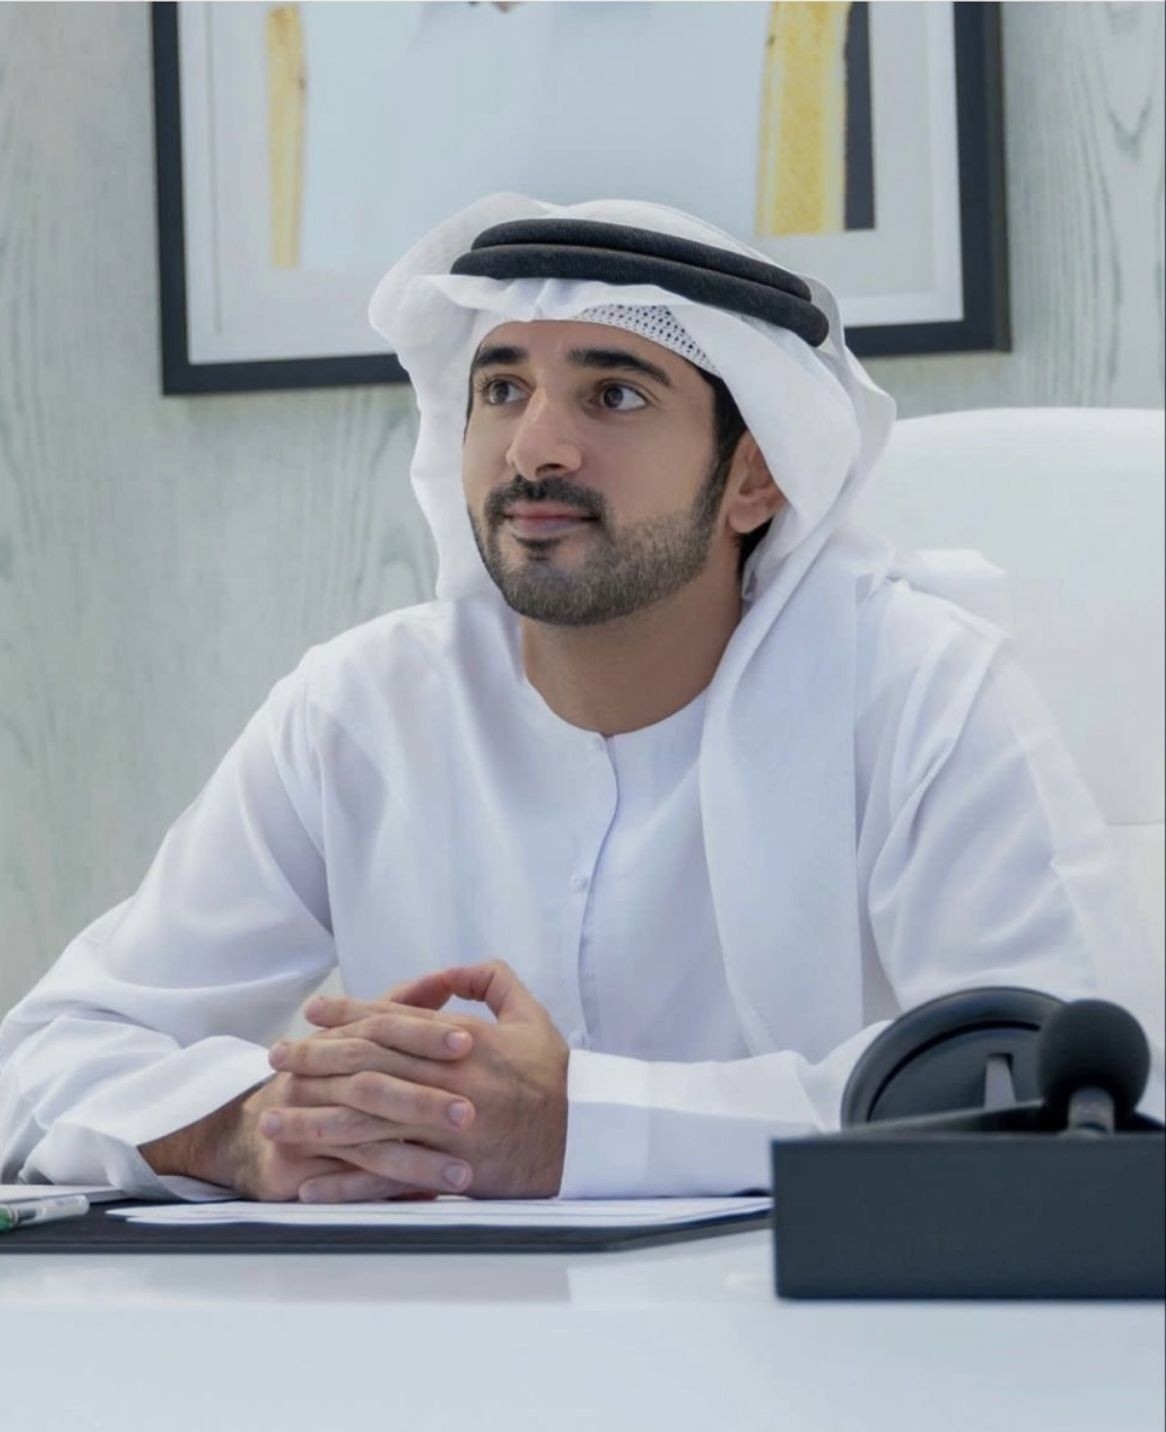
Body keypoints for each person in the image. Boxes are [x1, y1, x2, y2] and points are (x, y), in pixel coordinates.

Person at [1, 194, 1161, 1205]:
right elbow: (47, 1055)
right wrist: (244, 1127)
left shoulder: (918, 692)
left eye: (612, 394)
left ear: (755, 476)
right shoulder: (358, 709)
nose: (536, 449)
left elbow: (1055, 1105)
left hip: (816, 1346)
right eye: (502, 388)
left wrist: (580, 1129)